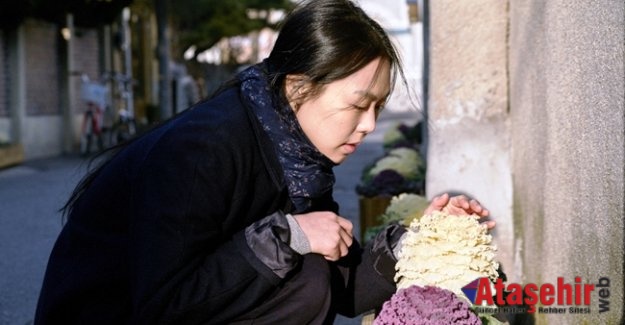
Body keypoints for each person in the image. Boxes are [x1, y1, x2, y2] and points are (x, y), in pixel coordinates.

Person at [35, 0, 493, 324]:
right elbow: (164, 305)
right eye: (358, 105)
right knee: (305, 273)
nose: (370, 125)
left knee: (311, 272)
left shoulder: (297, 157)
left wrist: (421, 240)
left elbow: (345, 287)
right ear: (297, 87)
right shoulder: (202, 151)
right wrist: (289, 235)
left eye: (379, 106)